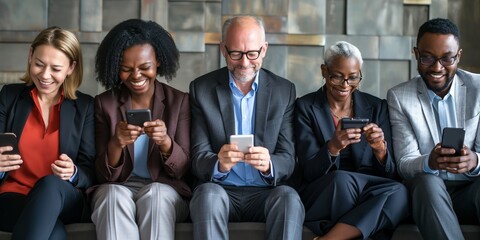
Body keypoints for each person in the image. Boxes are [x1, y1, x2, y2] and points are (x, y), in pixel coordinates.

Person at [189, 15, 305, 240]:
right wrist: (218, 164)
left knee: (289, 198)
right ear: (223, 49)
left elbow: (288, 158)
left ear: (264, 50)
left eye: (252, 53)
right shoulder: (201, 89)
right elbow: (197, 156)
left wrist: (270, 164)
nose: (244, 62)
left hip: (267, 193)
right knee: (206, 196)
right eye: (235, 53)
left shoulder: (284, 91)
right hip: (220, 191)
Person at [295, 41, 409, 240]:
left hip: (367, 190)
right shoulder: (305, 107)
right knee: (343, 179)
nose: (345, 85)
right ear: (324, 71)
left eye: (353, 78)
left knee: (399, 192)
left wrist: (380, 151)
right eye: (337, 76)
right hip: (326, 190)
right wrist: (333, 147)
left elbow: (391, 175)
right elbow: (308, 171)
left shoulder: (377, 107)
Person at [90, 19, 191, 240]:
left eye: (145, 67)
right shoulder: (103, 104)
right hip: (119, 187)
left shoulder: (179, 101)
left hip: (164, 189)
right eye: (126, 69)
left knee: (155, 196)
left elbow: (183, 169)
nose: (136, 76)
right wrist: (116, 143)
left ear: (159, 62)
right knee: (111, 195)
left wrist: (165, 142)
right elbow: (102, 174)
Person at [387, 18, 480, 240]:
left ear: (458, 56)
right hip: (426, 196)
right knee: (426, 181)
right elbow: (404, 164)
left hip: (471, 192)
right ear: (416, 54)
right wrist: (430, 162)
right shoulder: (400, 97)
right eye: (427, 57)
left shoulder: (478, 89)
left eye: (447, 58)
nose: (437, 68)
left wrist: (475, 160)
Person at [0, 26, 95, 239]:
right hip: (13, 196)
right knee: (55, 232)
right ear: (30, 55)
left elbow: (91, 171)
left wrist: (73, 173)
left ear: (71, 67)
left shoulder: (86, 106)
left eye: (56, 68)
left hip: (64, 198)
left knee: (50, 185)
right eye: (39, 64)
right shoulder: (9, 96)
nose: (45, 75)